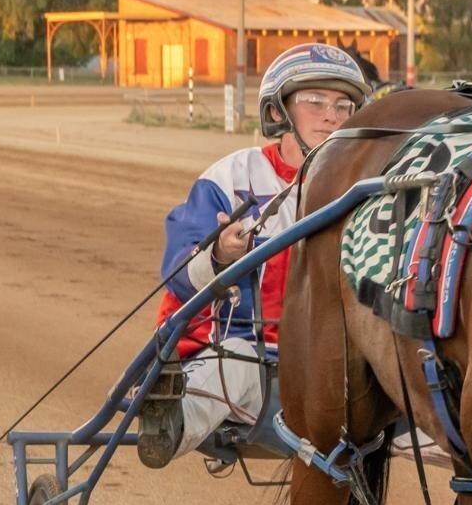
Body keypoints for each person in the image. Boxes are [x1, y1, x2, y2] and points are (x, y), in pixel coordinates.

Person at [136, 42, 371, 468]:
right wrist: (222, 254)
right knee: (238, 363)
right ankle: (170, 422)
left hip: (326, 371)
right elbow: (178, 271)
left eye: (343, 105)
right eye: (314, 101)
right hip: (239, 358)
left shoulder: (365, 190)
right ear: (278, 112)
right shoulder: (233, 176)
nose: (331, 115)